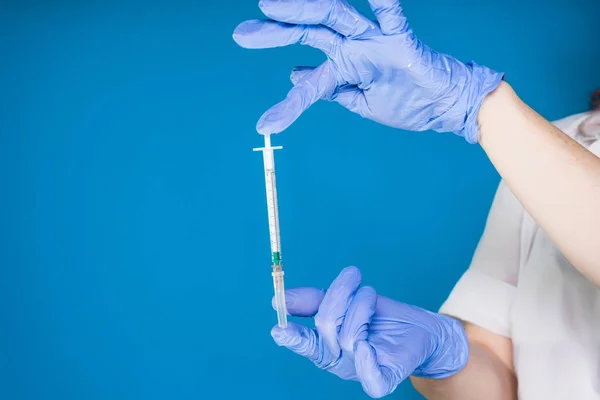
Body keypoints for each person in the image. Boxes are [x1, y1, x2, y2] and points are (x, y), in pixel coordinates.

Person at [233, 0, 600, 399]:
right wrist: (443, 356)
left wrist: (484, 107)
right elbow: (497, 366)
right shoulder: (559, 139)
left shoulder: (513, 135)